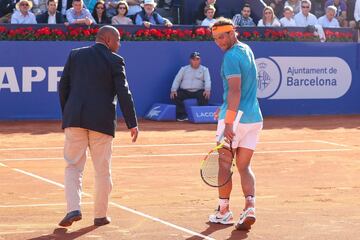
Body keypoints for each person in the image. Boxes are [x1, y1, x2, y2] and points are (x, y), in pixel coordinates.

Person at [58, 25, 139, 227]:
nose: (120, 44)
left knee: (73, 167)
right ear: (108, 39)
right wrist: (132, 123)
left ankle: (73, 209)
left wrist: (68, 113)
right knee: (102, 170)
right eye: (118, 40)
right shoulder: (115, 60)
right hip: (101, 122)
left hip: (74, 118)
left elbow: (63, 87)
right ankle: (100, 215)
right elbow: (124, 93)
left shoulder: (75, 55)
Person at [209, 17, 263, 230]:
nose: (219, 42)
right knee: (244, 166)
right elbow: (242, 90)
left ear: (232, 32)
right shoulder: (246, 50)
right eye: (215, 38)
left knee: (224, 164)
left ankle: (223, 211)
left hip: (235, 119)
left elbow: (235, 90)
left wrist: (228, 122)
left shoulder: (230, 57)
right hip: (254, 118)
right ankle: (250, 207)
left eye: (222, 36)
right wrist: (223, 107)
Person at [170, 51, 211, 122]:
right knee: (175, 95)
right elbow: (177, 80)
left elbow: (208, 80)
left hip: (198, 91)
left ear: (200, 60)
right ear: (190, 60)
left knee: (205, 95)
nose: (195, 61)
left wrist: (207, 89)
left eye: (197, 59)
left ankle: (202, 115)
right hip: (185, 91)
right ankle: (182, 115)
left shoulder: (204, 69)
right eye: (193, 59)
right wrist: (173, 90)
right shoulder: (184, 69)